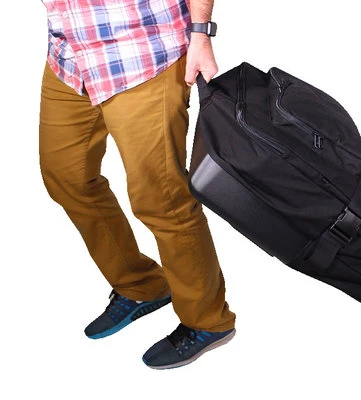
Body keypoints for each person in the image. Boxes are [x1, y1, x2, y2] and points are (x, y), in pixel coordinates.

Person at [39, 0, 236, 369]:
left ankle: (207, 320)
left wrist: (201, 34)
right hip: (70, 55)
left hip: (143, 53)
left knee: (162, 199)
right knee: (65, 176)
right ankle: (141, 285)